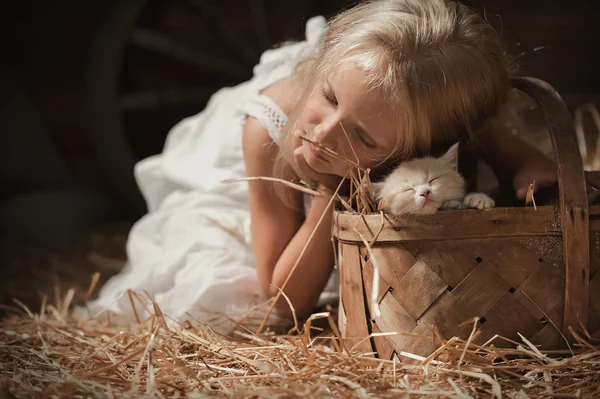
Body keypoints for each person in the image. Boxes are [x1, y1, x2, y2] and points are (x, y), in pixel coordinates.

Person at [83, 0, 557, 332]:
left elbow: (534, 167)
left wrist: (533, 190)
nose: (324, 134)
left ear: (419, 143)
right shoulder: (268, 129)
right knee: (223, 290)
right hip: (250, 171)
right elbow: (282, 299)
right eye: (329, 100)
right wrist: (332, 193)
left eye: (364, 137)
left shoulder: (443, 117)